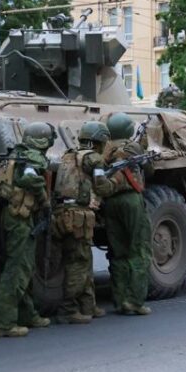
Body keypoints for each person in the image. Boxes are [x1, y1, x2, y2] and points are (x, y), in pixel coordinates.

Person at [0, 122, 54, 337]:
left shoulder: (17, 153)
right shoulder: (30, 158)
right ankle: (3, 323)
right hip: (19, 218)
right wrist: (45, 201)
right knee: (16, 270)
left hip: (14, 217)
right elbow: (29, 178)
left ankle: (27, 314)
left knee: (24, 268)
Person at [52, 122, 116, 324]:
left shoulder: (69, 155)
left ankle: (88, 306)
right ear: (100, 141)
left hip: (63, 213)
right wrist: (114, 182)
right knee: (79, 263)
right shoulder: (94, 159)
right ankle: (68, 310)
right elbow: (102, 186)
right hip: (78, 215)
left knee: (84, 260)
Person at [100, 113, 152, 316]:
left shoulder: (105, 148)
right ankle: (135, 301)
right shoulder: (133, 147)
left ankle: (120, 300)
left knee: (118, 251)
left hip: (110, 200)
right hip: (131, 199)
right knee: (139, 250)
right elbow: (150, 169)